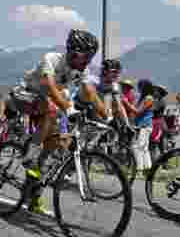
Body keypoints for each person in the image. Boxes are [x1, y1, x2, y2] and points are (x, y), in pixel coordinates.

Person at [10, 29, 110, 213]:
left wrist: (107, 117)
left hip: (48, 103)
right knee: (52, 108)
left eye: (91, 56)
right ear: (73, 51)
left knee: (56, 147)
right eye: (86, 56)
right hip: (25, 95)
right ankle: (30, 153)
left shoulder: (82, 71)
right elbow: (49, 85)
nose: (88, 60)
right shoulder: (52, 59)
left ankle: (32, 193)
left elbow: (90, 92)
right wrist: (67, 107)